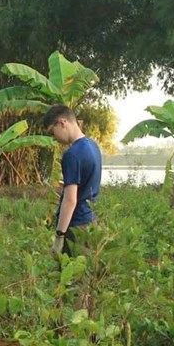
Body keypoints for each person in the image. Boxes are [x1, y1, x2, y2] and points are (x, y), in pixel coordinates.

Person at [43, 105, 102, 258]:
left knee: (70, 276)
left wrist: (59, 236)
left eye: (52, 132)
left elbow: (70, 200)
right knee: (84, 273)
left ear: (62, 123)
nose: (54, 138)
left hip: (76, 225)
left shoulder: (72, 155)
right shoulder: (93, 146)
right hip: (91, 222)